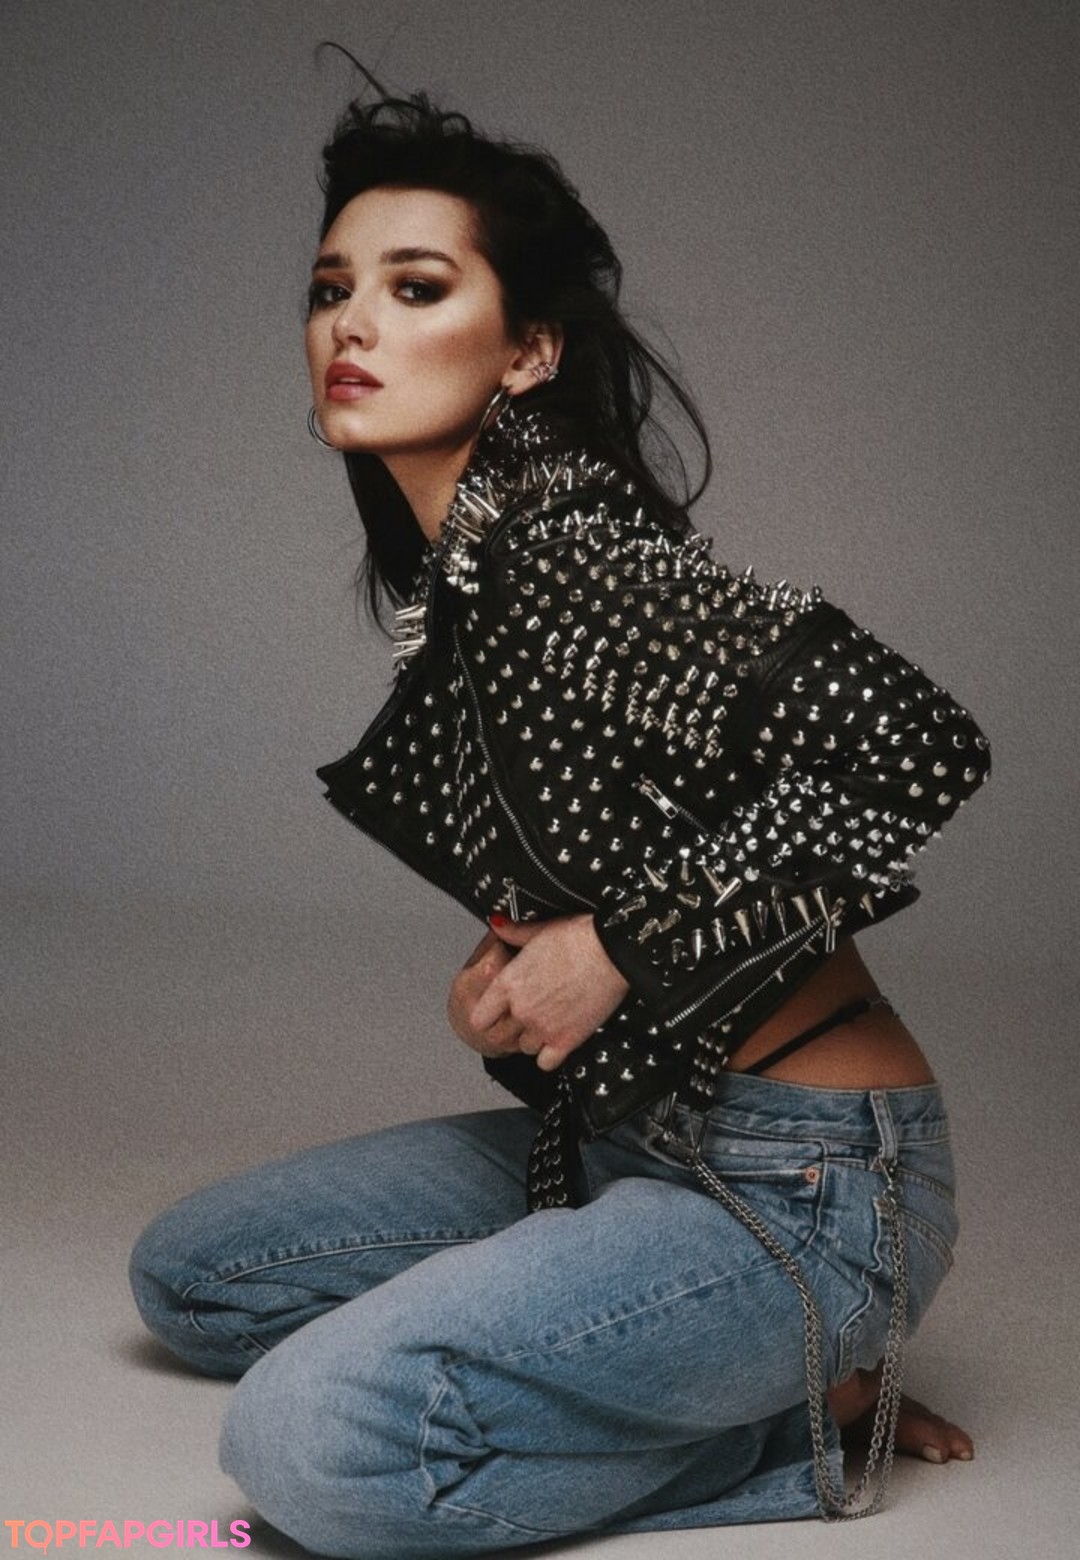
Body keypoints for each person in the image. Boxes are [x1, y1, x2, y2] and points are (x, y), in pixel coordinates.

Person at [130, 71, 988, 1558]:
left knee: (304, 1445)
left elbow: (919, 745)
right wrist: (511, 988)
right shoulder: (469, 576)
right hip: (629, 1135)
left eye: (415, 287)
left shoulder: (573, 545)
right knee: (194, 1278)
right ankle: (668, 1347)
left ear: (527, 349)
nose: (352, 325)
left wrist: (617, 948)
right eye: (332, 289)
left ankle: (803, 1404)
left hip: (808, 1181)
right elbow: (607, 871)